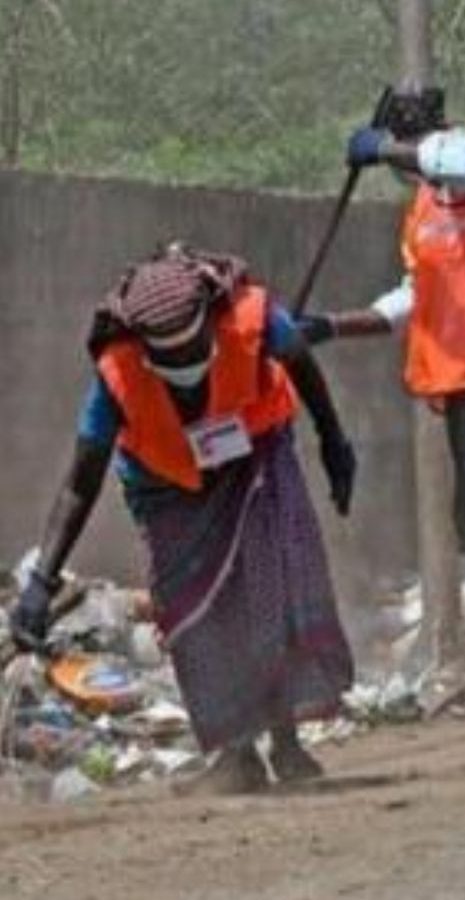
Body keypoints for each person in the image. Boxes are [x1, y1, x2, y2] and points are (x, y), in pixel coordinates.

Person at [8, 245, 358, 795]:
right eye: (168, 365)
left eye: (195, 354)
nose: (186, 373)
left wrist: (335, 444)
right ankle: (236, 752)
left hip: (254, 459)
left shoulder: (254, 318)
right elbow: (81, 481)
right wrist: (41, 582)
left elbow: (302, 366)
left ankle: (287, 743)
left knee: (271, 589)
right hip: (168, 487)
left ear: (212, 326)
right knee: (194, 615)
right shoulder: (117, 371)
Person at [300, 84, 465, 719]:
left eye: (398, 156)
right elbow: (412, 297)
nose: (397, 169)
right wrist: (330, 326)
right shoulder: (428, 207)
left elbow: (456, 159)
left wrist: (383, 144)